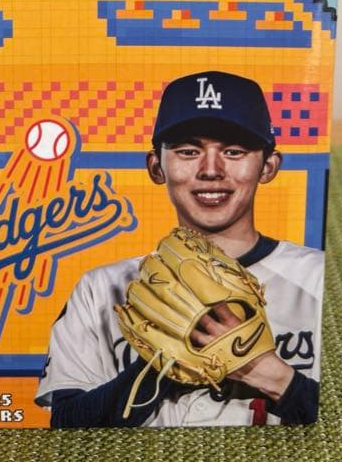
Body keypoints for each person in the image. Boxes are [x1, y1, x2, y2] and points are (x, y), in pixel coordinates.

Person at [35, 71, 324, 427]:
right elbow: (66, 425)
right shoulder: (101, 289)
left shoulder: (322, 279)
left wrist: (267, 373)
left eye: (233, 151)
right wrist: (166, 359)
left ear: (268, 166)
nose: (211, 170)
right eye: (188, 151)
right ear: (156, 167)